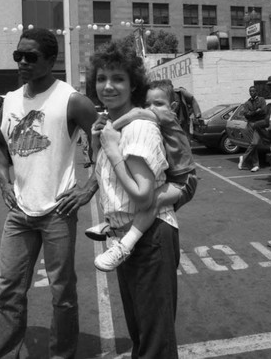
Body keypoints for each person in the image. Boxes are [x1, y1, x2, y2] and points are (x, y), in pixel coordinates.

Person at [0, 28, 98, 359]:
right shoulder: (9, 100)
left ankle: (61, 354)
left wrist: (88, 187)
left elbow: (106, 142)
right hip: (20, 212)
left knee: (62, 293)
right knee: (8, 290)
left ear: (51, 60)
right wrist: (4, 182)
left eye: (31, 56)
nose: (22, 62)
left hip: (58, 212)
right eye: (18, 55)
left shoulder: (72, 100)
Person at [86, 40, 181, 359]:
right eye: (101, 78)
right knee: (141, 336)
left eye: (118, 78)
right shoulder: (112, 126)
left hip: (150, 238)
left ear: (133, 84)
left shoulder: (139, 128)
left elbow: (142, 196)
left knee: (155, 343)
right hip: (126, 238)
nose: (108, 86)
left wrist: (112, 151)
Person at [87, 79, 197, 272]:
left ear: (172, 107)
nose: (152, 109)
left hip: (184, 181)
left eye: (158, 103)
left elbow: (136, 113)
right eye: (147, 104)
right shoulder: (156, 122)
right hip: (173, 178)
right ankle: (111, 226)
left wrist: (111, 127)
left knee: (153, 200)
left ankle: (125, 245)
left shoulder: (166, 117)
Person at [238, 86, 267, 172]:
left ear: (256, 92)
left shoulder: (262, 100)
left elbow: (264, 111)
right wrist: (256, 111)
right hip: (250, 124)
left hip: (259, 124)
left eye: (253, 91)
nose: (252, 92)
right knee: (252, 143)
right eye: (250, 91)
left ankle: (243, 157)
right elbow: (246, 114)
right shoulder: (247, 103)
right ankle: (255, 165)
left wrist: (253, 113)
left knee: (255, 143)